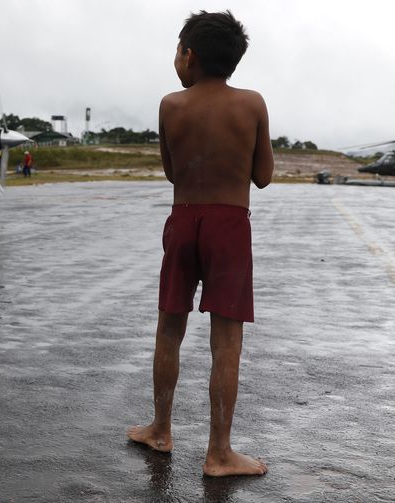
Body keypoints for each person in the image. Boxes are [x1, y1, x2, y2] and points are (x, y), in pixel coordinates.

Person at [126, 10, 274, 478]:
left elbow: (172, 171)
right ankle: (220, 453)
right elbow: (264, 176)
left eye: (177, 49)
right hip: (231, 224)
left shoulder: (171, 104)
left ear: (189, 55)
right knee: (226, 341)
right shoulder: (252, 103)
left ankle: (161, 429)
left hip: (184, 218)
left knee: (169, 328)